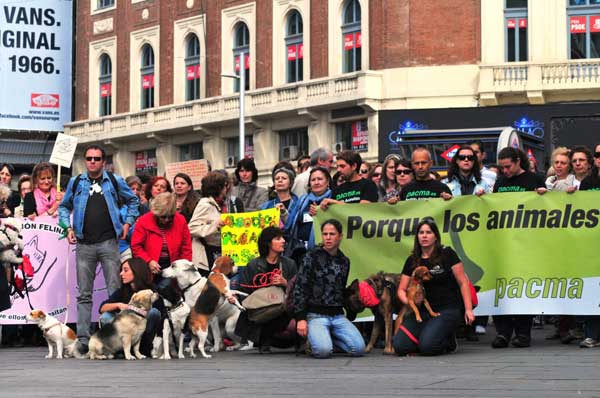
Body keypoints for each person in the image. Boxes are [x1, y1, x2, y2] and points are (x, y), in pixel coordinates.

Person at [59, 144, 139, 351]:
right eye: (89, 158)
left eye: (96, 159)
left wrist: (128, 223)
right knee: (84, 294)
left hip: (109, 243)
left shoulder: (114, 180)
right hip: (84, 244)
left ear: (104, 162)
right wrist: (67, 227)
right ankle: (84, 340)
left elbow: (133, 200)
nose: (92, 162)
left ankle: (115, 338)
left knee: (114, 291)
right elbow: (63, 206)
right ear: (85, 161)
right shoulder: (76, 182)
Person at [393, 218, 474, 356]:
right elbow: (401, 290)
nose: (424, 236)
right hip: (422, 311)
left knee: (428, 347)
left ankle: (448, 340)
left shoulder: (447, 253)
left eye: (428, 232)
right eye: (421, 233)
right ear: (417, 236)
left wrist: (468, 309)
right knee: (400, 346)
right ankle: (430, 333)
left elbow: (463, 282)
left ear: (435, 236)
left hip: (447, 309)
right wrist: (410, 303)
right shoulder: (412, 260)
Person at [491, 147, 545, 349]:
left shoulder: (534, 180)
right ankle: (503, 332)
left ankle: (523, 333)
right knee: (501, 287)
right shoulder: (500, 182)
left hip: (526, 243)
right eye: (502, 167)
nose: (505, 171)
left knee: (522, 287)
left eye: (508, 166)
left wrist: (543, 195)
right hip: (504, 243)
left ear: (517, 162)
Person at [293, 219, 365, 358]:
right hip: (315, 314)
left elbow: (340, 289)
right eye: (325, 234)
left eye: (332, 234)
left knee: (359, 348)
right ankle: (317, 339)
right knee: (323, 351)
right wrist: (300, 318)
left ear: (340, 236)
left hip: (337, 315)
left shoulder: (345, 261)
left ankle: (326, 337)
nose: (328, 237)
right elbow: (300, 287)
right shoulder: (311, 256)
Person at [236, 227, 298, 353]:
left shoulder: (289, 264)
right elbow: (243, 291)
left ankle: (267, 339)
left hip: (283, 310)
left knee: (292, 320)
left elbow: (299, 292)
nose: (283, 241)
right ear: (268, 243)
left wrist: (285, 283)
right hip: (260, 312)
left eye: (283, 238)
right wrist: (235, 298)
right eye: (278, 238)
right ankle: (263, 338)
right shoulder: (253, 265)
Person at [98, 258, 163, 357]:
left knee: (154, 312)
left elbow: (160, 313)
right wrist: (119, 305)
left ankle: (144, 348)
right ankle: (120, 349)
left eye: (125, 270)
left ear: (137, 271)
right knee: (106, 317)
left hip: (143, 335)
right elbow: (102, 308)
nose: (121, 274)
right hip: (125, 336)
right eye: (121, 270)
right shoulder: (123, 290)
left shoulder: (152, 291)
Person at [131, 192, 192, 291]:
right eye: (163, 217)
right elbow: (136, 246)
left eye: (171, 216)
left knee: (165, 291)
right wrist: (148, 261)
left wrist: (182, 269)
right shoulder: (143, 221)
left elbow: (186, 248)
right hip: (148, 269)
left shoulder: (180, 220)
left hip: (172, 268)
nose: (167, 220)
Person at [577, 144, 600, 348]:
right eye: (598, 155)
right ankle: (592, 334)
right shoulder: (588, 182)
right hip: (593, 244)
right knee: (593, 289)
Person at [189, 172, 227, 275]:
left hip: (218, 252)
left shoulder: (220, 204)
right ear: (218, 188)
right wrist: (215, 226)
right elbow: (191, 229)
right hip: (207, 253)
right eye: (224, 186)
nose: (226, 189)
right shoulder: (205, 204)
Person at [290, 167, 332, 250]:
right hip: (301, 251)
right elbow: (291, 223)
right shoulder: (302, 200)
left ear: (327, 182)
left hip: (325, 251)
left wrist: (320, 214)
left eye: (319, 179)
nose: (316, 182)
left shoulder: (334, 199)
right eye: (313, 180)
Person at [260, 167, 300, 232]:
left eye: (284, 178)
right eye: (277, 179)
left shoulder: (299, 204)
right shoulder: (265, 207)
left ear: (290, 183)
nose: (280, 180)